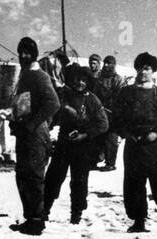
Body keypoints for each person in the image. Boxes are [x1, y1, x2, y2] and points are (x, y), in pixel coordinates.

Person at [110, 52, 157, 234]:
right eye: (140, 68)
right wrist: (127, 134)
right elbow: (116, 118)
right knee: (134, 184)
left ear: (153, 71)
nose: (142, 72)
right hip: (133, 145)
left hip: (154, 145)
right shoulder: (126, 92)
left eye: (147, 68)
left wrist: (156, 133)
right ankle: (138, 221)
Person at [41, 63, 108, 225]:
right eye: (77, 79)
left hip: (83, 146)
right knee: (53, 178)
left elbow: (103, 124)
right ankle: (44, 211)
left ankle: (76, 215)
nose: (80, 83)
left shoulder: (92, 99)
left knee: (79, 181)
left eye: (84, 80)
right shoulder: (64, 95)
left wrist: (85, 134)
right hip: (64, 143)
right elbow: (52, 113)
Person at [9, 37, 60, 235]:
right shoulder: (25, 75)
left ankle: (37, 220)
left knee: (34, 176)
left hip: (36, 134)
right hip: (24, 133)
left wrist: (31, 123)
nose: (23, 56)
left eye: (27, 53)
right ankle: (30, 217)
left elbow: (53, 104)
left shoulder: (39, 76)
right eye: (21, 52)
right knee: (23, 175)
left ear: (35, 55)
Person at [91, 55, 123, 171]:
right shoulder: (98, 78)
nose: (106, 65)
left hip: (113, 113)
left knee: (111, 138)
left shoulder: (118, 79)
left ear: (113, 65)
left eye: (109, 63)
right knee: (97, 136)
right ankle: (94, 160)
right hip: (99, 111)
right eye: (105, 63)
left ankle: (110, 163)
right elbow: (94, 93)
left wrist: (113, 110)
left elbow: (120, 97)